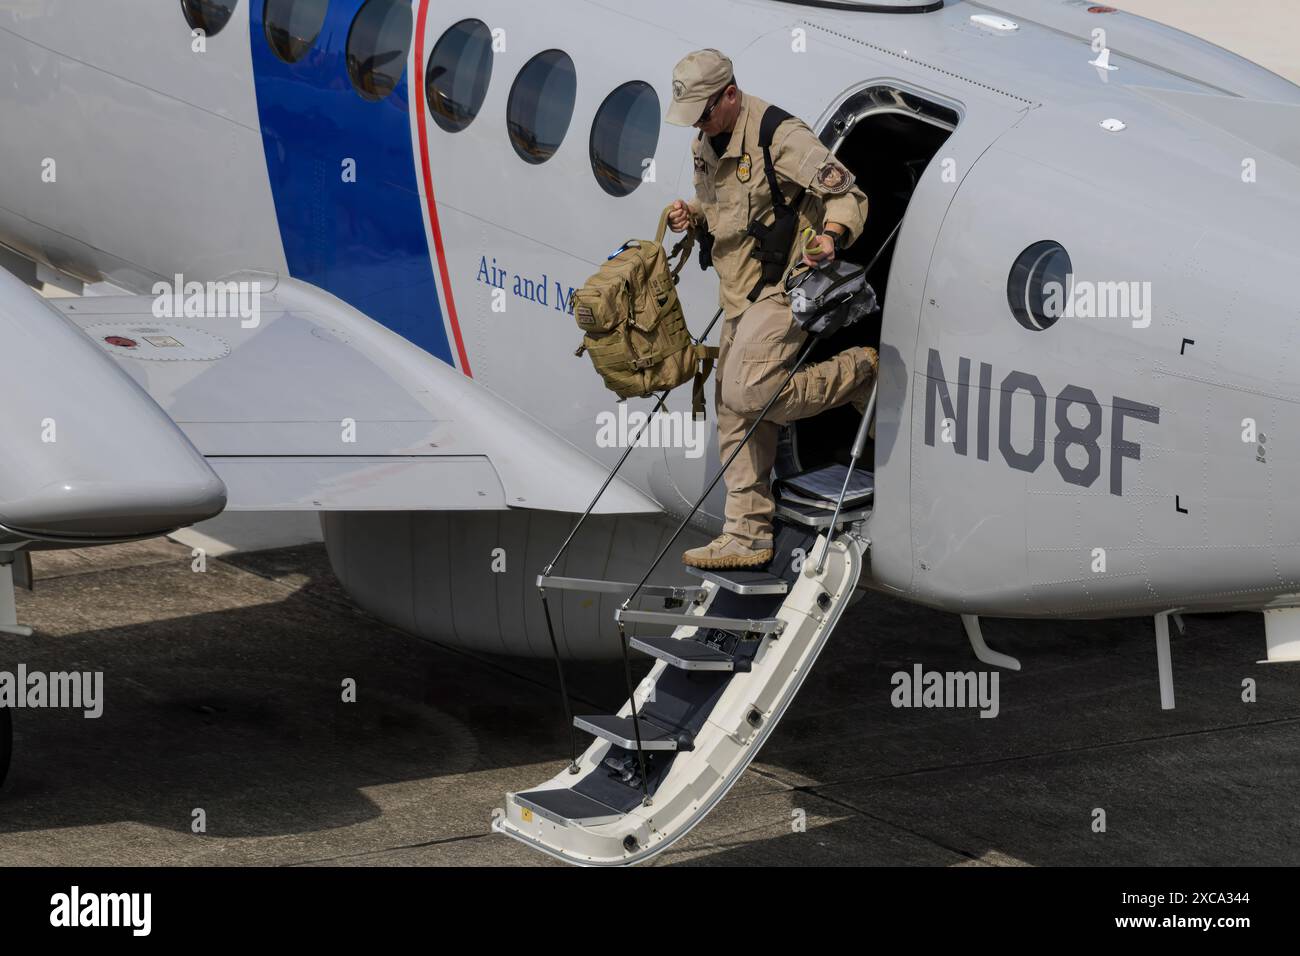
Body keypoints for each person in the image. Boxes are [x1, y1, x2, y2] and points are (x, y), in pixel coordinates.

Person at [665, 49, 877, 570]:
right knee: (733, 410)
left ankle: (859, 373)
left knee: (750, 390)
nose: (697, 123)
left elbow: (851, 197)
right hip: (739, 288)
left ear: (730, 95)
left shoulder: (779, 137)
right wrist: (689, 215)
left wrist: (830, 236)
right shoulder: (707, 141)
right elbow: (721, 209)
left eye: (704, 111)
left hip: (786, 284)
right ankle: (747, 534)